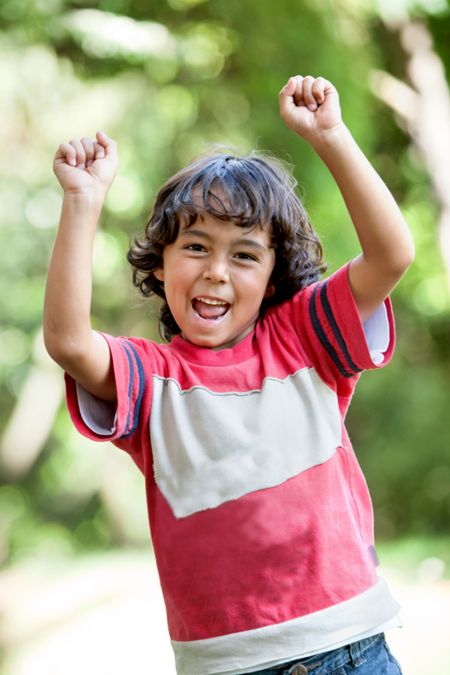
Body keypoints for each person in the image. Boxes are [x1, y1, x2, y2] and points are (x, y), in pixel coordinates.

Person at [44, 75, 414, 675]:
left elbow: (392, 256)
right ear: (161, 265)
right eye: (195, 247)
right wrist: (83, 201)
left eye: (243, 254)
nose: (217, 272)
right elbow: (67, 341)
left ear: (271, 279)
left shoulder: (303, 337)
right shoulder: (151, 378)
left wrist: (332, 137)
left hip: (350, 648)